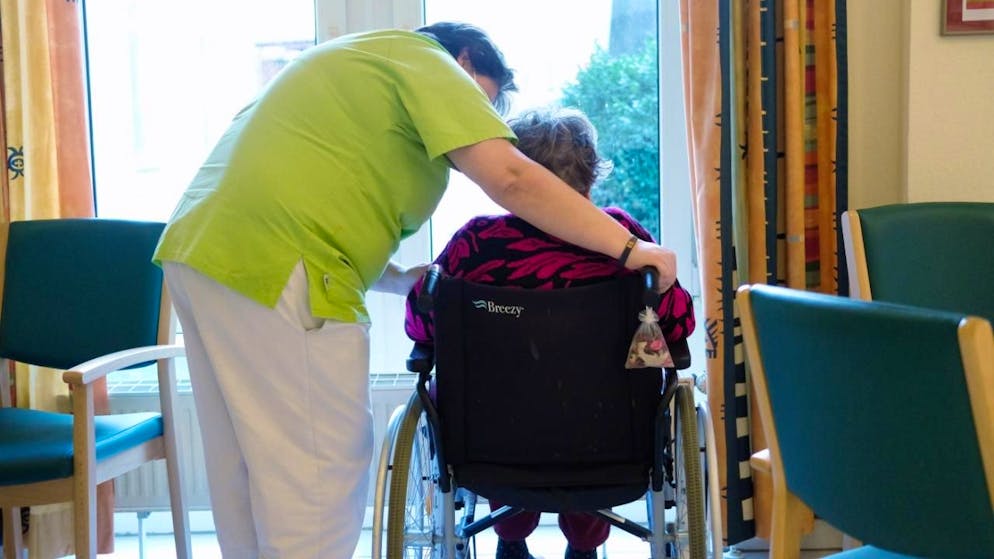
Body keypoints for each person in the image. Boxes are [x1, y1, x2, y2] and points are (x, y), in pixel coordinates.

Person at [154, 21, 678, 557]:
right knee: (316, 477)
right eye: (482, 105)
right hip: (276, 262)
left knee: (241, 469)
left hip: (201, 251)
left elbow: (321, 215)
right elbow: (513, 180)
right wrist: (631, 251)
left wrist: (403, 279)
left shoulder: (352, 66)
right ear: (466, 61)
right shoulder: (426, 62)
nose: (474, 129)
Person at [404, 107, 696, 559]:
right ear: (590, 176)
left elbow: (420, 324)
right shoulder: (624, 239)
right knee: (608, 397)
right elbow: (679, 323)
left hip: (490, 447)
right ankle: (584, 545)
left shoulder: (475, 243)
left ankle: (510, 535)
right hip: (611, 440)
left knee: (495, 394)